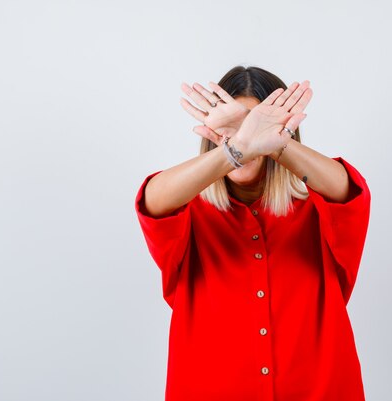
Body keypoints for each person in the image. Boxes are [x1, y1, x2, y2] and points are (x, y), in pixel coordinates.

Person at [134, 65, 371, 401]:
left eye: (255, 122)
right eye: (235, 125)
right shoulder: (189, 210)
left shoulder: (317, 206)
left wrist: (272, 143)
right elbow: (151, 201)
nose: (245, 133)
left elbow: (349, 191)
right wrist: (237, 149)